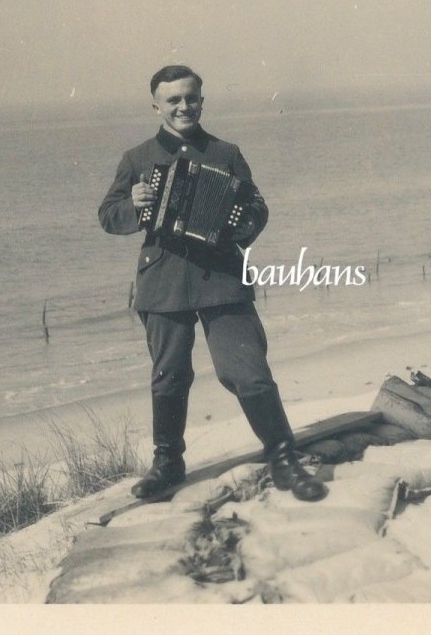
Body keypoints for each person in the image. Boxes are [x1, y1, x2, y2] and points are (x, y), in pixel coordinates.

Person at [98, 65, 327, 502]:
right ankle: (168, 464)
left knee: (248, 371)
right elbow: (108, 216)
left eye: (191, 98)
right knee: (169, 377)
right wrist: (134, 204)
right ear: (156, 106)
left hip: (222, 277)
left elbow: (256, 207)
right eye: (173, 100)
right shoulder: (137, 158)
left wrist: (241, 224)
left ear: (202, 101)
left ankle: (284, 459)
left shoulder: (226, 153)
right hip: (163, 281)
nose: (183, 106)